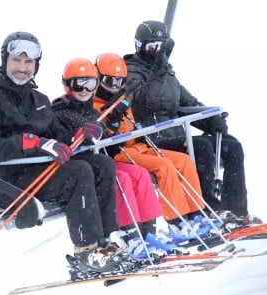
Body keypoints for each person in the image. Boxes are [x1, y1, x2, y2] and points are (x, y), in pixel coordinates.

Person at [0, 31, 128, 272]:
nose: (22, 68)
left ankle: (107, 241)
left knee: (101, 164)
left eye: (28, 62)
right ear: (5, 61)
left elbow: (58, 136)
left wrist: (79, 136)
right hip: (7, 183)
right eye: (16, 60)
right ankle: (85, 251)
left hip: (41, 173)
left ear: (36, 65)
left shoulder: (38, 99)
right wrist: (29, 142)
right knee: (79, 171)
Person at [123, 20, 261, 225]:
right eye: (152, 47)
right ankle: (209, 209)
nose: (157, 52)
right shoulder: (131, 72)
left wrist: (211, 121)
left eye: (161, 47)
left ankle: (237, 211)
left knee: (231, 146)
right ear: (139, 46)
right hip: (152, 140)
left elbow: (187, 103)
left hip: (178, 135)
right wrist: (158, 69)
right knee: (202, 147)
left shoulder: (167, 73)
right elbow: (142, 103)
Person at [51, 57, 179, 260]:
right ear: (67, 85)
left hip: (104, 161)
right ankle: (129, 235)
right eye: (78, 84)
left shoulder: (90, 110)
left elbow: (110, 141)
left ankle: (148, 231)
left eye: (90, 83)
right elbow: (61, 136)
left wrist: (112, 126)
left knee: (139, 175)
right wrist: (80, 137)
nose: (84, 89)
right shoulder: (60, 111)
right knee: (123, 179)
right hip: (87, 166)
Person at [93, 52, 213, 242]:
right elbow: (106, 140)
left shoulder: (122, 100)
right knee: (164, 167)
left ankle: (195, 213)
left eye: (119, 81)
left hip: (139, 146)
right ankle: (176, 220)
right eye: (109, 81)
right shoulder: (96, 105)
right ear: (97, 79)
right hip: (121, 154)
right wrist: (113, 119)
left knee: (183, 161)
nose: (114, 86)